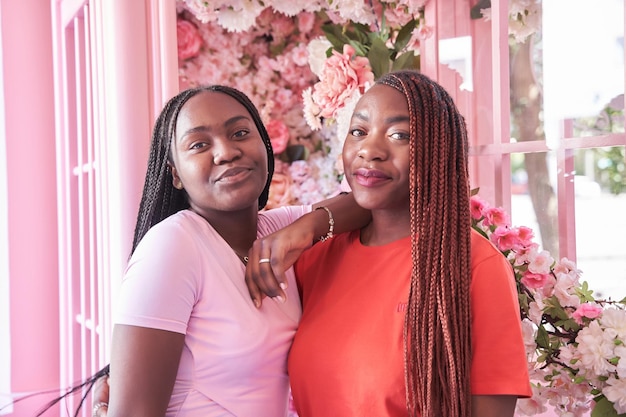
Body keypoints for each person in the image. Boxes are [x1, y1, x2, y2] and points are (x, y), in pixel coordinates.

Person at [64, 84, 369, 417]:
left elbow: (369, 203)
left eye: (240, 133)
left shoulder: (273, 230)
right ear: (175, 173)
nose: (226, 152)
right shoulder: (173, 246)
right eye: (198, 144)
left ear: (264, 145)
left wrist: (306, 228)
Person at [247, 70, 532, 417]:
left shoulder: (474, 265)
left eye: (399, 135)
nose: (370, 150)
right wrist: (312, 224)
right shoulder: (315, 259)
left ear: (438, 152)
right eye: (358, 132)